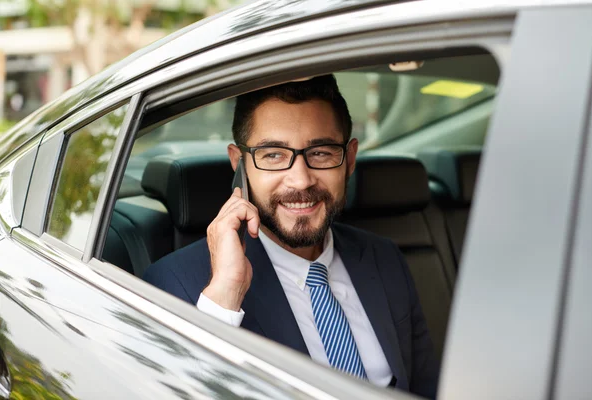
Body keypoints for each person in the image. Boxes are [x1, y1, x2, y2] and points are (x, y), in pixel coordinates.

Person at [143, 74, 439, 398]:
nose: (300, 181)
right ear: (239, 164)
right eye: (273, 155)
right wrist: (225, 297)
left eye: (322, 153)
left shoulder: (384, 258)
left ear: (349, 160)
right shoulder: (176, 284)